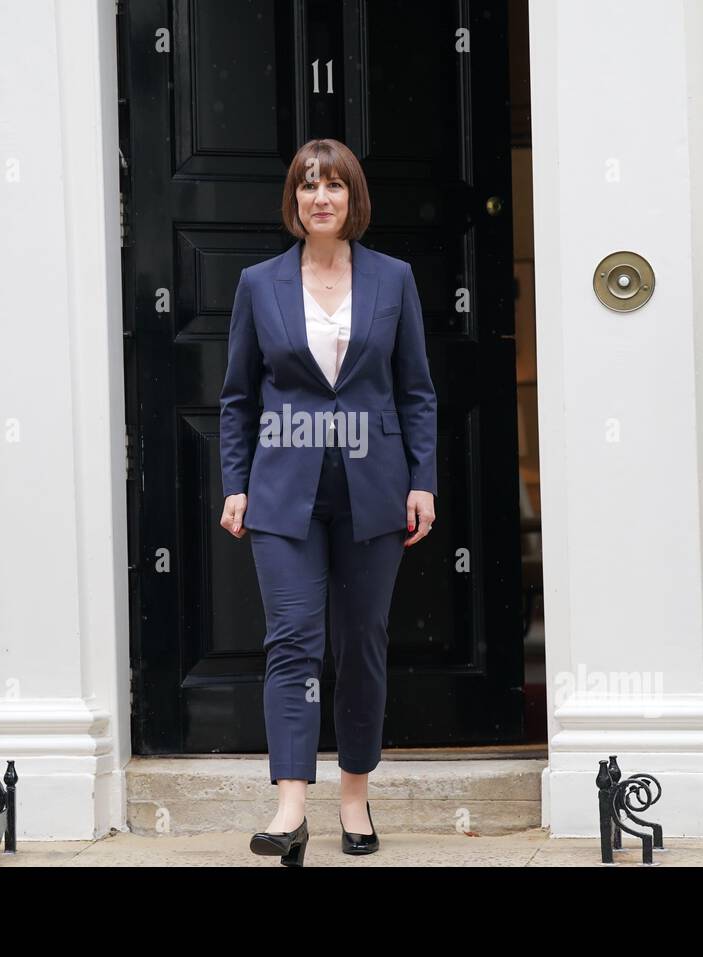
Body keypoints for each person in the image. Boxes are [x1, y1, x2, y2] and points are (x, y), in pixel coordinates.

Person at [218, 138, 438, 865]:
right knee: (293, 642)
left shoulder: (394, 279)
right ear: (294, 199)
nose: (321, 197)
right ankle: (289, 806)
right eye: (309, 185)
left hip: (375, 490)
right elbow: (238, 397)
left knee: (362, 645)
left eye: (334, 186)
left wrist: (422, 480)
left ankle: (353, 795)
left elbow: (415, 391)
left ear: (353, 199)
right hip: (284, 492)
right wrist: (237, 482)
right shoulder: (259, 284)